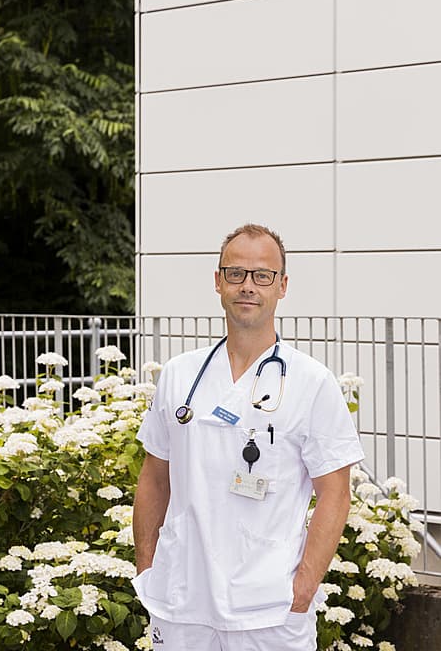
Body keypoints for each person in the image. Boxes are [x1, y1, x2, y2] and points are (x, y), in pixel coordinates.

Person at [132, 223, 364, 651]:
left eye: (263, 275)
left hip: (270, 609)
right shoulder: (180, 375)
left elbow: (335, 493)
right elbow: (154, 478)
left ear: (282, 286)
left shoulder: (312, 382)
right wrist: (147, 568)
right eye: (236, 273)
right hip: (181, 600)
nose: (248, 286)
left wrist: (304, 587)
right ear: (218, 282)